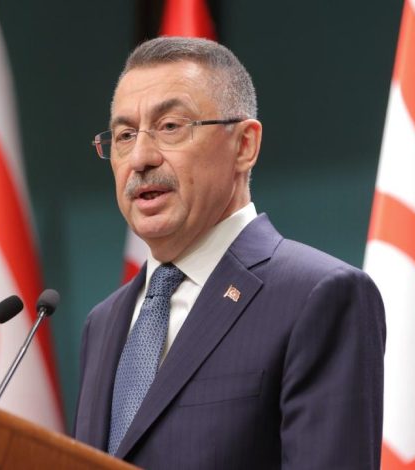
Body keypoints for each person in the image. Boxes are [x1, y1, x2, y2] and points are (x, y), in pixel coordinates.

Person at [73, 36, 386, 469]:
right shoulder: (103, 322)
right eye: (125, 135)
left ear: (244, 146)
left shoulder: (318, 296)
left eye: (170, 126)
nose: (140, 158)